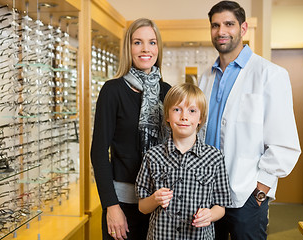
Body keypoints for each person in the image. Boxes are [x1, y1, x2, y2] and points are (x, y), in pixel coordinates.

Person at [198, 1, 301, 239]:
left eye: (229, 24)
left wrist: (260, 192)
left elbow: (284, 143)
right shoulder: (205, 77)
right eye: (215, 25)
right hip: (207, 194)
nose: (221, 31)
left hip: (246, 195)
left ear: (243, 28)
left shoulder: (270, 74)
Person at [90, 18, 171, 240]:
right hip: (123, 204)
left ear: (158, 48)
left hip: (161, 203)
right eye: (138, 42)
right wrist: (111, 206)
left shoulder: (168, 92)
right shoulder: (112, 90)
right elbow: (98, 153)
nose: (146, 49)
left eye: (152, 42)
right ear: (129, 47)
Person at [136, 83, 232, 240]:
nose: (184, 117)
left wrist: (210, 214)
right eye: (177, 109)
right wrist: (155, 199)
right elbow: (142, 207)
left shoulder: (215, 157)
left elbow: (220, 207)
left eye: (192, 111)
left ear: (200, 118)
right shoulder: (152, 156)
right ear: (167, 115)